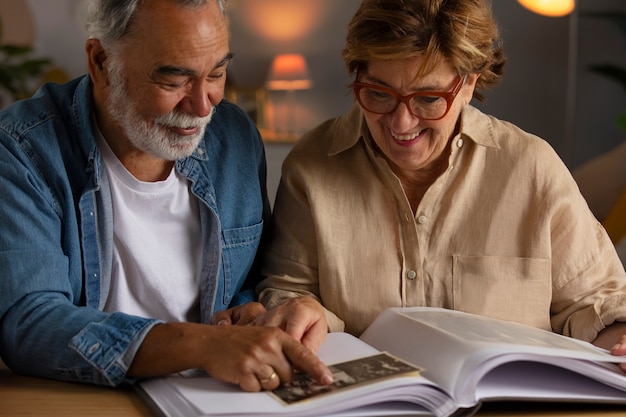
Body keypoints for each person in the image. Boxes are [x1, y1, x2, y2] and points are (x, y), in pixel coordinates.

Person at [255, 0, 626, 367]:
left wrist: (621, 340)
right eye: (379, 94)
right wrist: (298, 308)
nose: (401, 123)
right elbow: (288, 291)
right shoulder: (312, 164)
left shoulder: (531, 168)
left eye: (429, 99)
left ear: (468, 84)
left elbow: (596, 304)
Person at [0, 0, 332, 392]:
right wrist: (205, 345)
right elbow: (28, 323)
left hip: (217, 394)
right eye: (174, 81)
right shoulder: (21, 148)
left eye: (218, 73)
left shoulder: (236, 137)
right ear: (101, 62)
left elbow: (250, 276)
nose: (203, 104)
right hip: (87, 398)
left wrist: (250, 310)